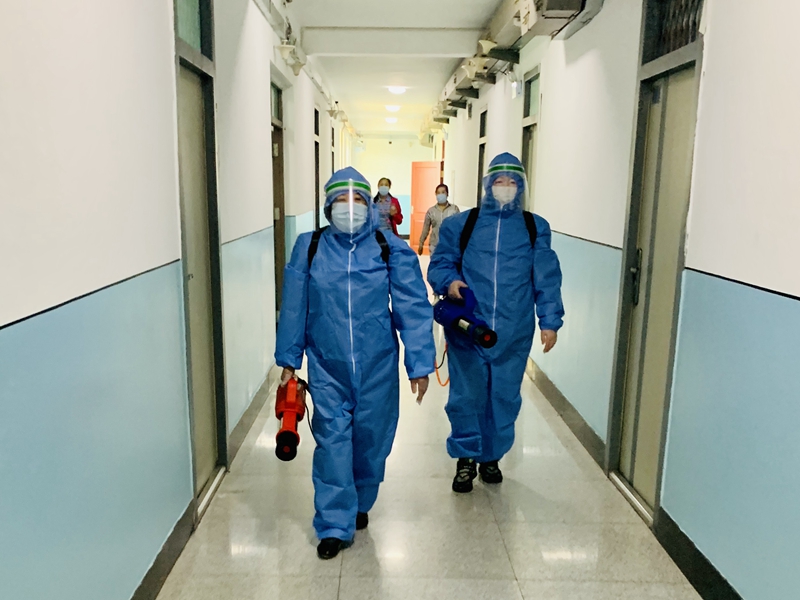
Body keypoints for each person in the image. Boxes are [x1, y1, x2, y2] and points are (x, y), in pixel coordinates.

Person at [275, 166, 436, 559]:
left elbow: (412, 305)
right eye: (342, 200)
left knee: (371, 440)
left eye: (358, 200)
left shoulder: (387, 247)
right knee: (332, 443)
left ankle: (361, 500)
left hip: (377, 364)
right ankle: (333, 524)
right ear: (329, 206)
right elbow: (294, 305)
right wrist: (289, 359)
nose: (350, 207)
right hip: (327, 364)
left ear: (370, 205)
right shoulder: (310, 246)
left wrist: (419, 362)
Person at [427, 152, 564, 493]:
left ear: (521, 187)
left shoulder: (534, 228)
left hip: (514, 331)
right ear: (488, 185)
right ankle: (465, 458)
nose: (505, 187)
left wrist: (549, 321)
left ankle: (491, 456)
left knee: (503, 396)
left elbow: (546, 277)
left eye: (512, 181)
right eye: (499, 181)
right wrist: (450, 282)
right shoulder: (463, 225)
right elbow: (440, 263)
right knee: (466, 395)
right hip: (468, 328)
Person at [418, 183, 460, 255]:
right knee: (435, 262)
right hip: (435, 246)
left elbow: (459, 227)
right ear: (435, 194)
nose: (440, 194)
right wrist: (421, 243)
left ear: (447, 194)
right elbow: (425, 229)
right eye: (438, 193)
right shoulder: (431, 211)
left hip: (450, 245)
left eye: (443, 192)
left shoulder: (454, 209)